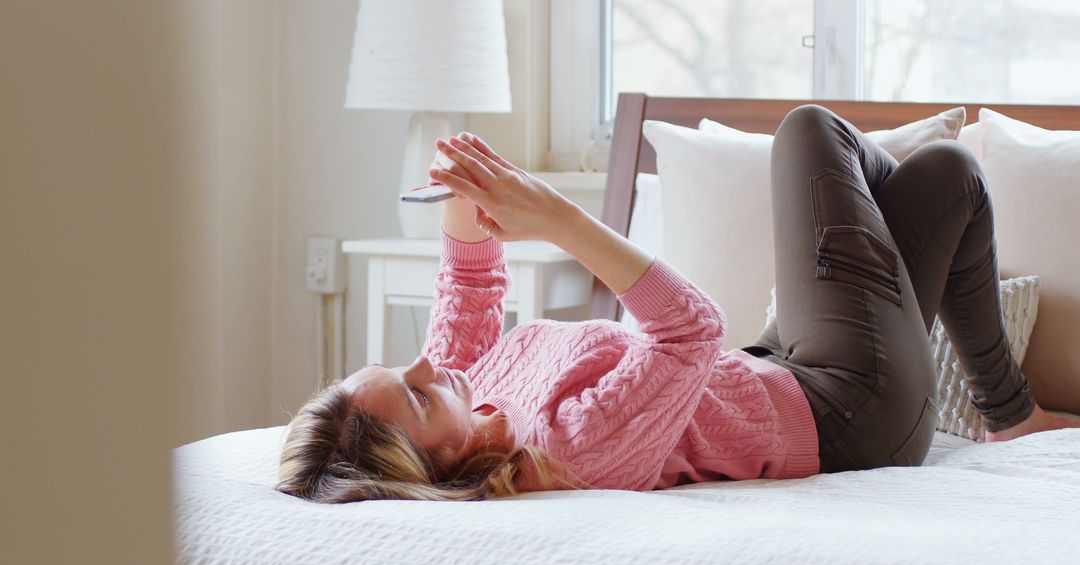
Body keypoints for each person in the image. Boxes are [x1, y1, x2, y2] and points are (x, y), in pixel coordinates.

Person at [277, 106, 1078, 503]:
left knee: (948, 176)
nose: (427, 364)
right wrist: (555, 216)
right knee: (808, 133)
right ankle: (1004, 406)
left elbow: (471, 285)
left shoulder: (465, 389)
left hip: (779, 371)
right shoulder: (567, 449)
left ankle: (1006, 412)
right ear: (438, 467)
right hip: (853, 413)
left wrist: (468, 189)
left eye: (399, 365)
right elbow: (690, 327)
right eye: (416, 393)